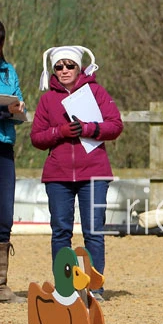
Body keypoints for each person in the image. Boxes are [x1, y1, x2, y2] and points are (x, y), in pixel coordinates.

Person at [30, 46, 123, 301]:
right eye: (59, 67)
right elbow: (36, 138)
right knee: (61, 231)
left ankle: (94, 288)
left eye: (69, 65)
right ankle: (65, 288)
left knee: (94, 231)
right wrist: (59, 132)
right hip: (58, 176)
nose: (64, 70)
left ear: (79, 67)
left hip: (94, 174)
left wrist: (88, 129)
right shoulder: (47, 100)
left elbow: (115, 125)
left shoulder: (97, 92)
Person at [0, 21, 27, 303]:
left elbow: (18, 104)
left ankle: (1, 285)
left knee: (4, 216)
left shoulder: (9, 71)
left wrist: (18, 110)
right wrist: (4, 111)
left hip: (4, 146)